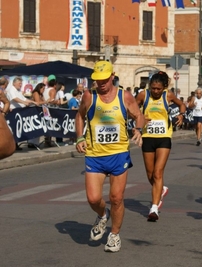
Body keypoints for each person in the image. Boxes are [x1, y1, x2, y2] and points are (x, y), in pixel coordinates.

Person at [75, 61, 145, 252]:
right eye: (97, 80)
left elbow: (139, 115)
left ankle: (114, 234)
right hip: (95, 155)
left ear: (112, 77)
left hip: (118, 155)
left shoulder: (125, 96)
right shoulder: (90, 96)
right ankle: (102, 215)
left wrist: (138, 129)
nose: (101, 84)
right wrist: (80, 137)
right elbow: (80, 115)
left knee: (116, 197)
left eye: (105, 80)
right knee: (93, 198)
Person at [136, 71, 186, 222]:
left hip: (164, 137)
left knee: (158, 173)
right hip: (147, 138)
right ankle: (161, 189)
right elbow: (130, 108)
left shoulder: (168, 95)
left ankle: (154, 208)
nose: (156, 91)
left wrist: (181, 115)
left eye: (158, 89)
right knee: (151, 175)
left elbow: (181, 104)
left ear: (163, 87)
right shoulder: (143, 95)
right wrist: (140, 117)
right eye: (153, 88)